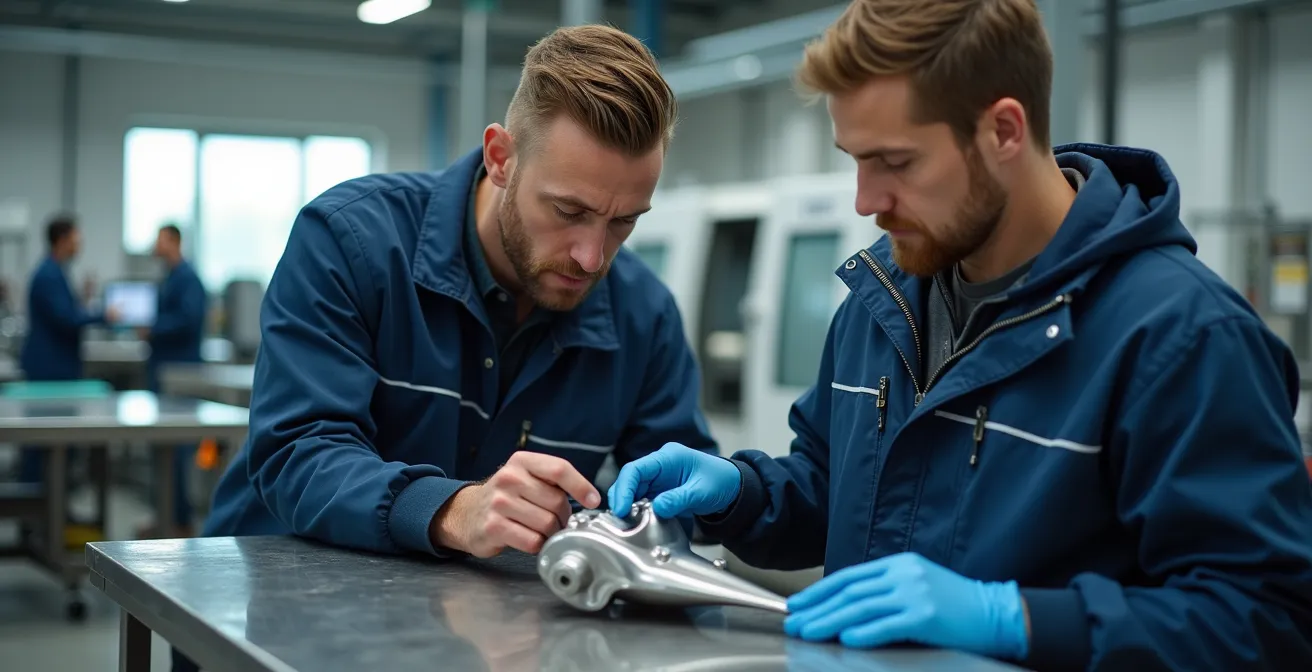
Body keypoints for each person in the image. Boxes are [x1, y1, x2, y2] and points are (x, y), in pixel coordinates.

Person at [609, 1, 1312, 670]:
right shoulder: (882, 298)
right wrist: (740, 491)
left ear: (1003, 130)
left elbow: (1264, 620)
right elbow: (834, 488)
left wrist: (1016, 619)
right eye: (854, 159)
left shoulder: (1181, 339)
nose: (866, 202)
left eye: (896, 162)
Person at [200, 24, 715, 560]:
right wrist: (451, 509)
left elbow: (678, 496)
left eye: (624, 221)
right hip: (275, 602)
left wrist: (657, 520)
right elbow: (296, 453)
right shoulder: (351, 241)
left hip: (483, 624)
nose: (592, 256)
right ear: (500, 158)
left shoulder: (645, 316)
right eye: (569, 212)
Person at [137, 224, 208, 538]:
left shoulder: (188, 279)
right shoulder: (170, 278)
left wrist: (155, 328)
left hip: (181, 376)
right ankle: (166, 516)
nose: (156, 245)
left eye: (161, 239)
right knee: (162, 448)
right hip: (163, 373)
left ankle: (181, 521)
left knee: (178, 450)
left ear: (174, 241)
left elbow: (189, 320)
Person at [19, 214, 118, 381]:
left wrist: (83, 299)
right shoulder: (49, 275)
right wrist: (104, 315)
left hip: (56, 361)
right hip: (50, 364)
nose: (79, 246)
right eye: (76, 240)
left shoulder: (56, 271)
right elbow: (66, 318)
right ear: (62, 240)